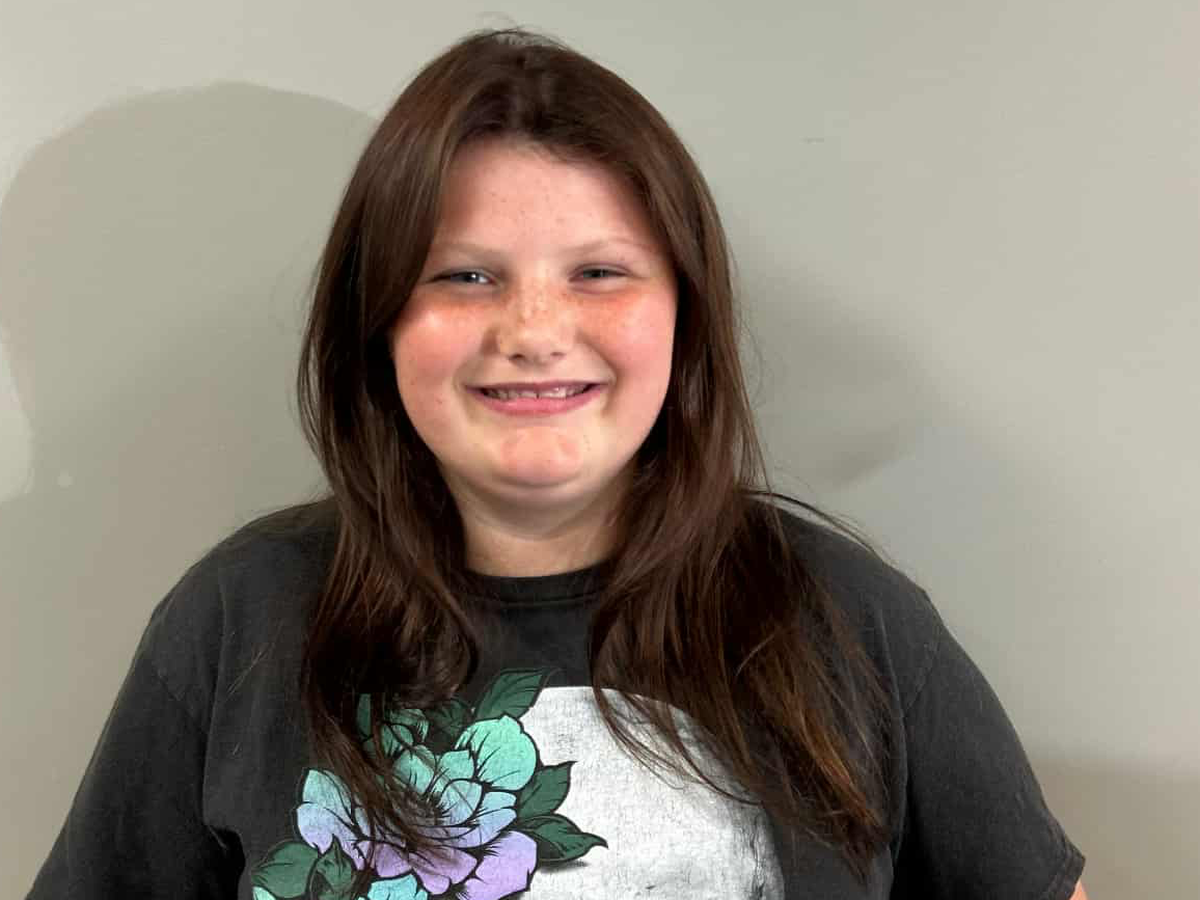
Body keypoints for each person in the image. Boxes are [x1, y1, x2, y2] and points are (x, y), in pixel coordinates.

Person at [26, 27, 1087, 900]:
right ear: (378, 320)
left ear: (685, 314)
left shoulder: (849, 623)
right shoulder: (239, 621)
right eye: (465, 275)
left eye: (599, 272)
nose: (534, 331)